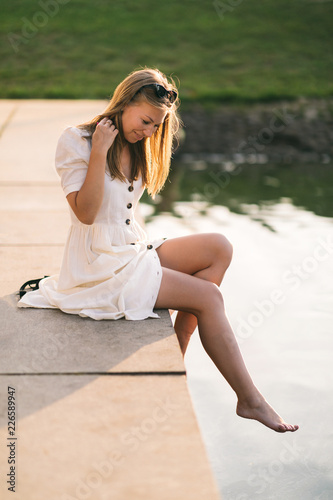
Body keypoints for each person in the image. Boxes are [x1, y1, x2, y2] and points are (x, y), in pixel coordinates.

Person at [18, 67, 298, 433]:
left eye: (157, 126)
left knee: (219, 247)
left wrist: (133, 141)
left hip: (130, 250)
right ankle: (250, 400)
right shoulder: (77, 140)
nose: (149, 132)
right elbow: (85, 214)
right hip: (100, 265)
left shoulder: (136, 146)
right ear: (126, 101)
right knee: (209, 297)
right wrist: (99, 150)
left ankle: (177, 353)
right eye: (147, 121)